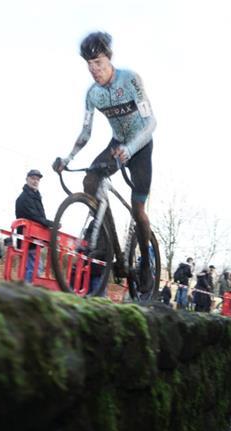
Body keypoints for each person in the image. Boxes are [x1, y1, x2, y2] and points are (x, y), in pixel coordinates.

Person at [53, 31, 157, 294]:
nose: (94, 69)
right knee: (90, 179)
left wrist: (131, 148)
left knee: (138, 210)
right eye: (89, 65)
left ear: (109, 59)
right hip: (116, 144)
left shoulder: (130, 79)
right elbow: (86, 133)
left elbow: (151, 122)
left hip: (140, 145)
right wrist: (68, 158)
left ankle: (145, 262)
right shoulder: (92, 94)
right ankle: (102, 235)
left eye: (98, 62)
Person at [15, 169, 53, 282]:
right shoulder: (24, 197)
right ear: (27, 179)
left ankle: (23, 292)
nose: (35, 181)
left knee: (30, 268)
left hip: (34, 239)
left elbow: (40, 216)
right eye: (33, 178)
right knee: (35, 269)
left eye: (37, 179)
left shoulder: (35, 196)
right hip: (28, 239)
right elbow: (34, 216)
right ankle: (27, 293)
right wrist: (51, 224)